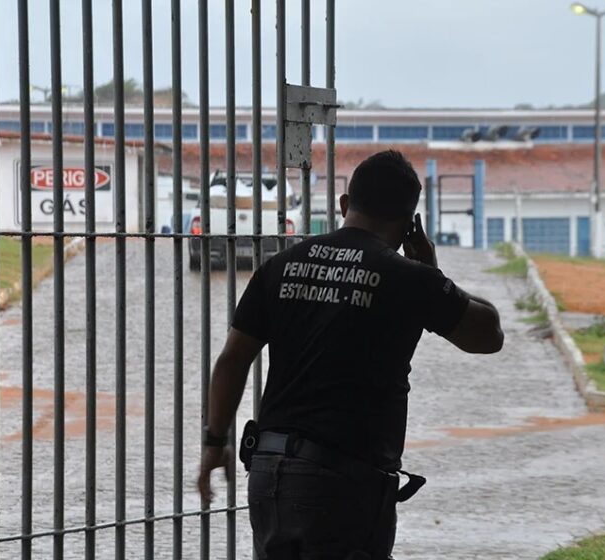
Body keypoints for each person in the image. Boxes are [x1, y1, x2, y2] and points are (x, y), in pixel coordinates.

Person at [197, 150, 504, 559]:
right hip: (341, 483)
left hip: (268, 470)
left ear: (344, 205)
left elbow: (232, 360)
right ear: (412, 222)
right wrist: (433, 272)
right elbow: (488, 335)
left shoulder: (281, 265)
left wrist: (214, 444)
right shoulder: (408, 278)